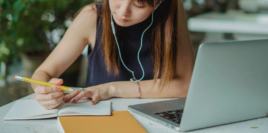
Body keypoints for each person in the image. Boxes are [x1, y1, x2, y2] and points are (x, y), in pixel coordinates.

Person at [31, 0, 194, 110]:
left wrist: (110, 89)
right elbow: (43, 73)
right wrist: (44, 91)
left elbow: (186, 86)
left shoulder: (170, 12)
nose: (123, 11)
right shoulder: (91, 17)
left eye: (139, 4)